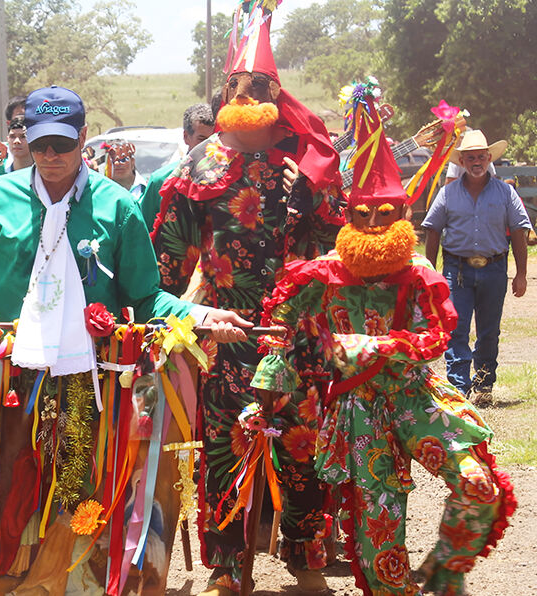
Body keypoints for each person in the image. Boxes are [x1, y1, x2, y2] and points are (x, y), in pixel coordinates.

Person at [0, 84, 253, 593]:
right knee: (10, 492)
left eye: (63, 144)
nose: (51, 156)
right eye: (40, 145)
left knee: (83, 494)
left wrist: (202, 315)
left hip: (95, 383)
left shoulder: (117, 206)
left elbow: (147, 299)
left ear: (84, 137)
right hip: (12, 382)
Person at [252, 96, 515, 595]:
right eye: (363, 213)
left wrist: (374, 348)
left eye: (385, 212)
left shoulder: (418, 273)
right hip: (360, 409)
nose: (374, 223)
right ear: (349, 215)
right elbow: (281, 328)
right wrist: (267, 382)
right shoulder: (324, 272)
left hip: (415, 396)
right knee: (379, 531)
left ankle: (444, 572)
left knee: (478, 487)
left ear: (404, 212)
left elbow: (437, 337)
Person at [149, 7, 344, 594]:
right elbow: (170, 257)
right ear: (225, 92)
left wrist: (314, 204)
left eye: (261, 86)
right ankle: (229, 568)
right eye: (240, 85)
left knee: (303, 447)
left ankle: (307, 561)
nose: (249, 95)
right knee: (224, 448)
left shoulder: (306, 161)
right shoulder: (198, 164)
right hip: (226, 333)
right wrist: (169, 320)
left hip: (296, 332)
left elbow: (338, 245)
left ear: (277, 94)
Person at [422, 130, 531, 405]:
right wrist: (430, 272)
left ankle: (483, 384)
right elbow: (433, 231)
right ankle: (459, 387)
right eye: (470, 158)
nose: (476, 162)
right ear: (462, 162)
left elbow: (519, 231)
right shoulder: (447, 193)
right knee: (456, 327)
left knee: (489, 330)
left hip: (494, 268)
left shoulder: (505, 192)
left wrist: (520, 274)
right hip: (456, 270)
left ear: (489, 158)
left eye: (481, 157)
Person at [138, 102, 215, 230]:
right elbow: (144, 232)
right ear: (186, 137)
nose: (209, 146)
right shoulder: (161, 180)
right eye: (202, 139)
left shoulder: (228, 179)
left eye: (214, 139)